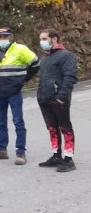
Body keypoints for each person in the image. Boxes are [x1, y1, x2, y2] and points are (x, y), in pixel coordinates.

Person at [0, 28, 40, 165]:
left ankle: (21, 152)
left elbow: (36, 64)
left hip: (14, 92)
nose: (3, 38)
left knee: (18, 122)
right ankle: (1, 150)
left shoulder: (20, 49)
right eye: (0, 36)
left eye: (5, 36)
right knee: (0, 122)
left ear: (11, 36)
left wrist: (23, 80)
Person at [36, 29, 78, 172]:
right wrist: (40, 96)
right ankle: (56, 155)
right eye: (41, 39)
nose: (41, 42)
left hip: (59, 100)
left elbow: (70, 78)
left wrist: (61, 97)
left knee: (65, 127)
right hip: (45, 99)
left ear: (54, 39)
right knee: (52, 128)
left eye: (44, 38)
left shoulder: (66, 56)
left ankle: (68, 158)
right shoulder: (45, 58)